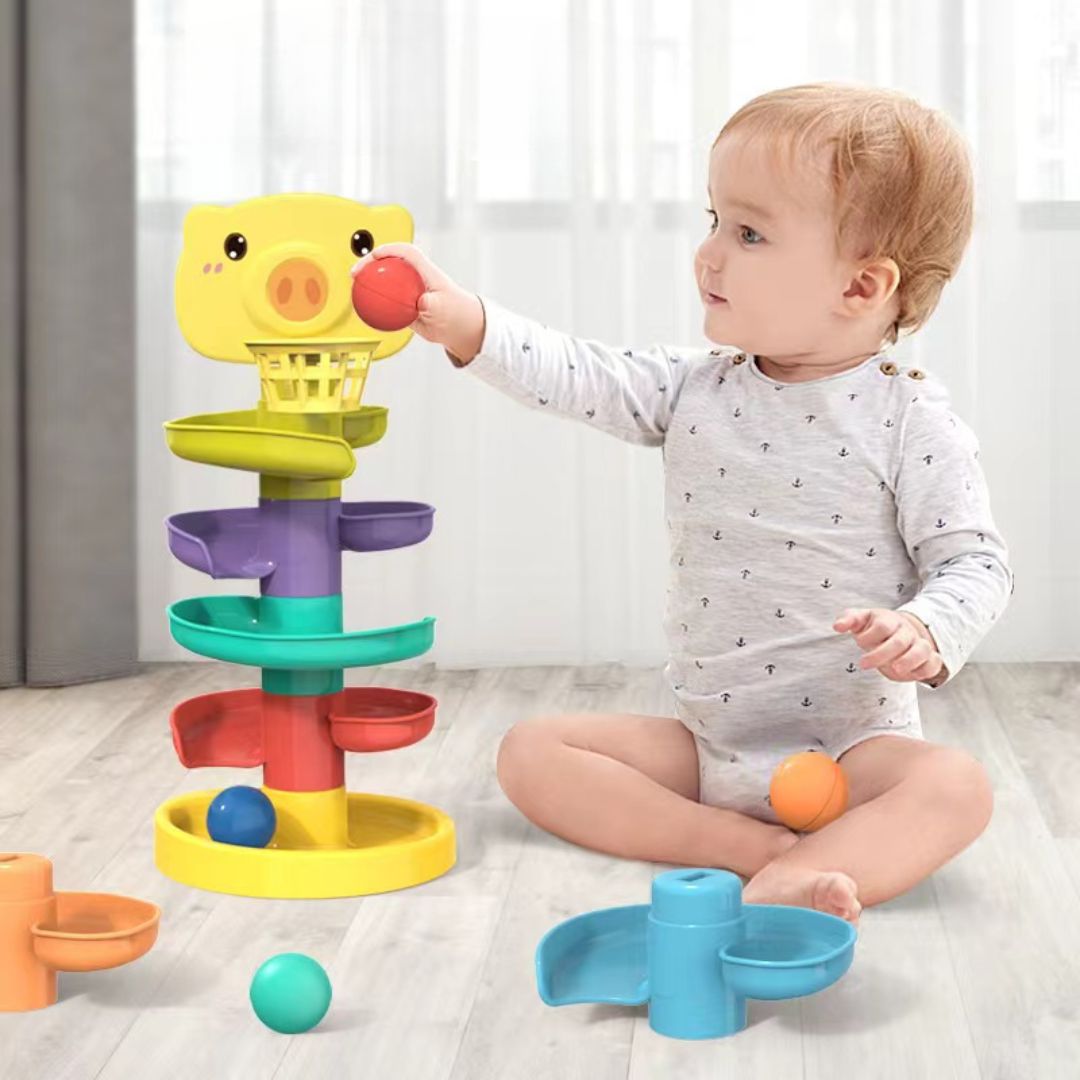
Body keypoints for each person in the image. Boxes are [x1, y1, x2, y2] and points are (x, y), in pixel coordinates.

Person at [351, 83, 1013, 924]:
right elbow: (577, 373)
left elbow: (976, 563)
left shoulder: (910, 418)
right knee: (531, 753)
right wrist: (467, 321)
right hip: (711, 750)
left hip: (855, 751)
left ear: (860, 286)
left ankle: (811, 869)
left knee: (957, 787)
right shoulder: (693, 388)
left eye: (749, 233)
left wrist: (927, 627)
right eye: (714, 220)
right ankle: (754, 852)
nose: (709, 254)